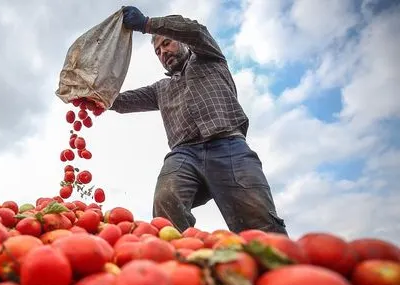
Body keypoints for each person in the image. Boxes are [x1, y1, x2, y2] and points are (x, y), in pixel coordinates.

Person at [110, 6, 288, 235]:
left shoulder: (209, 58)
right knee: (166, 199)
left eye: (167, 44)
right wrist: (93, 97)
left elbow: (195, 31)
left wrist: (147, 24)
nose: (163, 52)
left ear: (181, 42)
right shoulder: (161, 89)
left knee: (260, 223)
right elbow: (122, 101)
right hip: (184, 154)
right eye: (157, 51)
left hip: (228, 145)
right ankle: (179, 258)